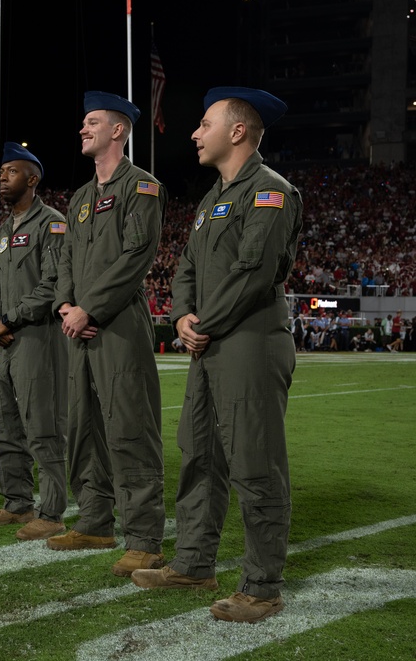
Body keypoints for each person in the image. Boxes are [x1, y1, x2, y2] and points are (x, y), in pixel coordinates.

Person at [130, 87, 303, 625]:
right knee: (200, 455)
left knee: (255, 462)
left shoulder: (271, 192)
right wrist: (181, 315)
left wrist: (201, 323)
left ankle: (262, 585)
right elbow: (185, 266)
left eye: (205, 123)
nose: (194, 132)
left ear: (238, 132)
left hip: (249, 341)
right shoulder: (212, 199)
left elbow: (253, 271)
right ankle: (193, 562)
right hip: (211, 341)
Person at [48, 91, 167, 580]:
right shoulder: (79, 198)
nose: (83, 129)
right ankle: (96, 522)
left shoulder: (143, 187)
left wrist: (89, 308)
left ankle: (143, 539)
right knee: (83, 426)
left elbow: (137, 256)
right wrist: (64, 305)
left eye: (92, 122)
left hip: (117, 324)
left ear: (119, 130)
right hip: (77, 325)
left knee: (129, 427)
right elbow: (67, 263)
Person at [0, 144, 68, 540]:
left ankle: (51, 512)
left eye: (11, 172)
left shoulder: (52, 224)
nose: (3, 178)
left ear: (32, 179)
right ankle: (16, 503)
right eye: (1, 172)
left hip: (37, 337)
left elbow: (54, 283)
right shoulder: (2, 231)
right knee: (6, 425)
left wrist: (10, 318)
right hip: (6, 339)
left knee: (43, 425)